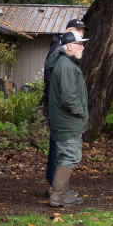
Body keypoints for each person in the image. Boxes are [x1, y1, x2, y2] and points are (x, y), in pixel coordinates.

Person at [43, 19, 87, 200]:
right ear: (69, 47)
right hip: (68, 121)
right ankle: (58, 195)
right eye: (79, 44)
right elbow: (69, 98)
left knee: (64, 156)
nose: (83, 48)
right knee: (71, 156)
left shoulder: (63, 62)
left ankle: (64, 191)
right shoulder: (66, 66)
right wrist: (82, 112)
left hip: (63, 120)